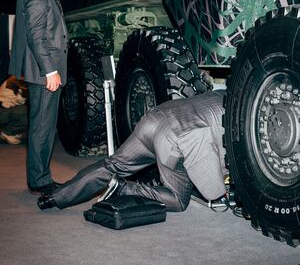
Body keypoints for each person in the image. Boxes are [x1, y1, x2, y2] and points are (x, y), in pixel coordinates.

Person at [38, 90, 227, 212]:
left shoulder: (222, 94)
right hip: (173, 138)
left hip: (153, 119)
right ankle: (122, 187)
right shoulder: (238, 112)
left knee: (112, 165)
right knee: (177, 200)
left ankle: (54, 197)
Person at [8, 0, 68, 193]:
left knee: (43, 126)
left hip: (41, 70)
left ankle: (40, 176)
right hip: (44, 71)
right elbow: (36, 34)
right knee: (43, 127)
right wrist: (50, 71)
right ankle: (40, 180)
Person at [0, 76, 27, 144]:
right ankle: (7, 132)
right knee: (29, 113)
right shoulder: (16, 81)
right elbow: (22, 100)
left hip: (4, 109)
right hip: (3, 109)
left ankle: (10, 130)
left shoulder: (15, 78)